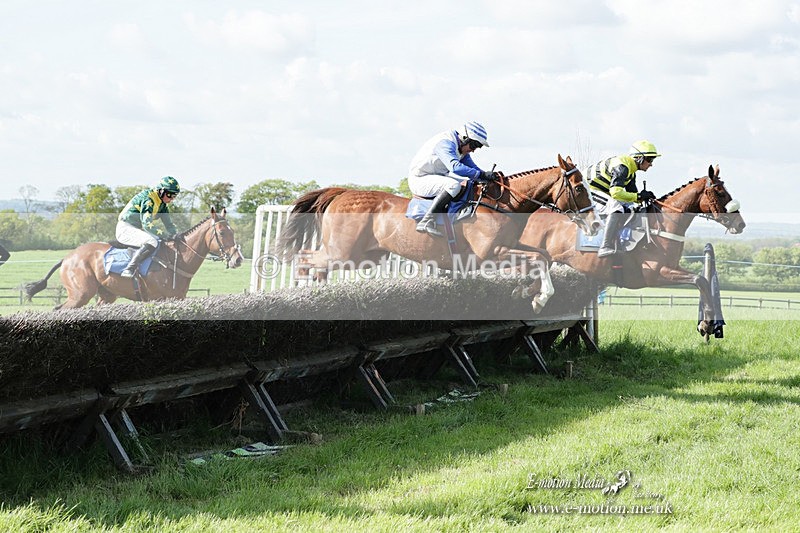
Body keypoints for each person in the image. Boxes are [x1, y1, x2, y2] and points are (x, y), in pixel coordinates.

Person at [407, 121, 500, 237]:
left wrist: (487, 176)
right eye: (474, 145)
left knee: (469, 183)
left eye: (477, 147)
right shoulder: (446, 143)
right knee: (453, 185)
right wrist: (481, 175)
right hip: (420, 179)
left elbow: (473, 168)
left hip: (436, 176)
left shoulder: (460, 147)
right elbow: (455, 167)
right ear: (465, 138)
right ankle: (427, 221)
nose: (473, 150)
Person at [588, 140, 661, 257]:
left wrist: (643, 196)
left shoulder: (631, 171)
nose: (651, 164)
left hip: (603, 190)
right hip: (588, 190)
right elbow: (616, 193)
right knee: (615, 208)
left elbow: (632, 195)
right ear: (639, 158)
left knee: (631, 207)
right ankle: (605, 246)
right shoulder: (622, 167)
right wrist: (638, 196)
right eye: (649, 160)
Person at [116, 176, 181, 278]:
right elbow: (147, 225)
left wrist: (177, 235)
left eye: (174, 196)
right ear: (161, 191)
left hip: (136, 229)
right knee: (152, 241)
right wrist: (165, 235)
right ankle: (129, 268)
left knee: (158, 241)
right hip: (125, 229)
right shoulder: (148, 199)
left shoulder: (162, 204)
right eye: (170, 195)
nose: (171, 199)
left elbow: (169, 224)